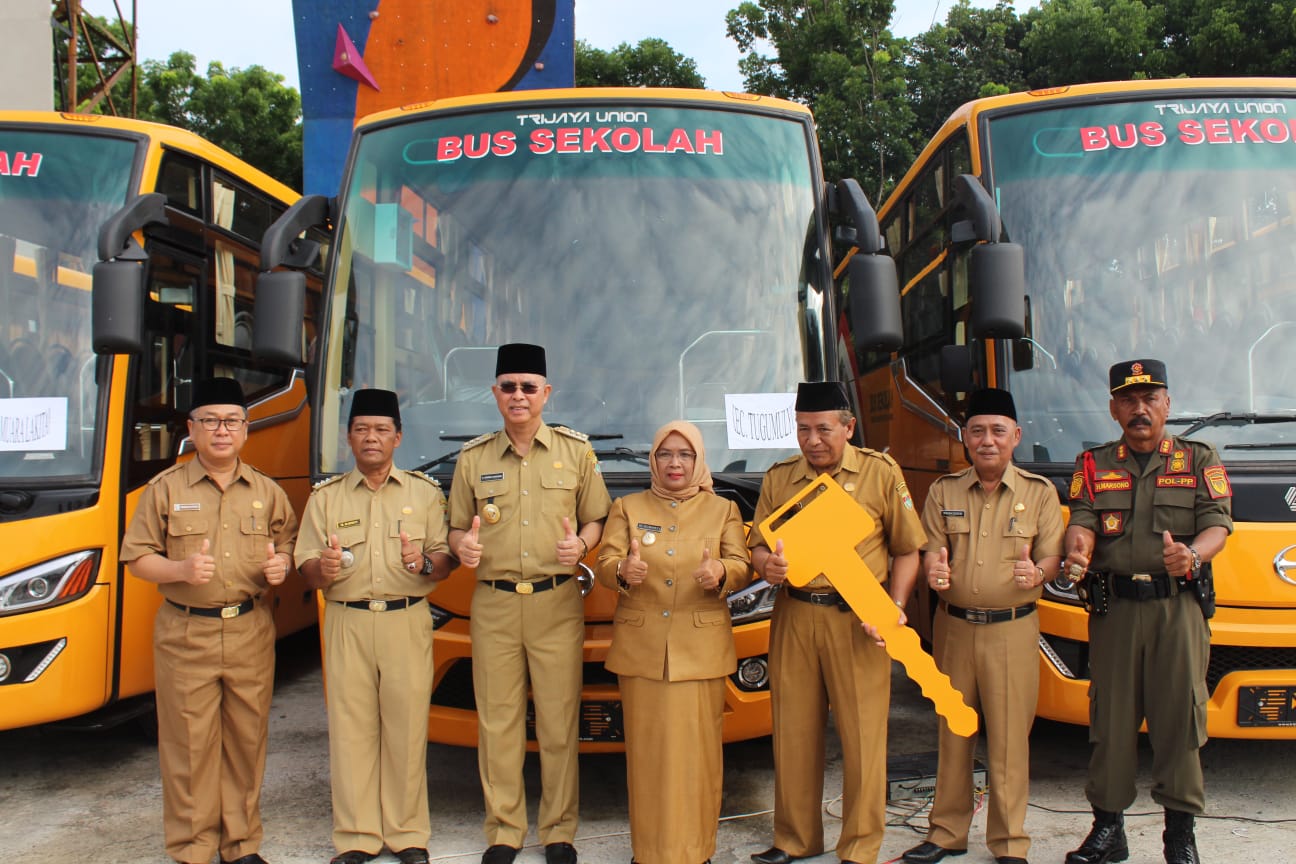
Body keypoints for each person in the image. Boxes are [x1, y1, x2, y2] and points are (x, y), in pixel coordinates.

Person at [119, 376, 297, 864]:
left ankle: (240, 845)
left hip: (249, 629)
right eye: (211, 421)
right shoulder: (164, 490)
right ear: (192, 430)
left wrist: (281, 563)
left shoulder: (266, 490)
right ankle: (193, 848)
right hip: (185, 632)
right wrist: (179, 569)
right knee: (189, 747)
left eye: (233, 421)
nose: (223, 431)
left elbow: (287, 542)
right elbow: (136, 558)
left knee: (246, 740)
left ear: (245, 430)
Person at [748, 381, 926, 864]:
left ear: (848, 428)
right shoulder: (780, 478)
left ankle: (860, 846)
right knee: (793, 732)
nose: (813, 440)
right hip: (796, 614)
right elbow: (757, 546)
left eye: (824, 429)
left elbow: (909, 549)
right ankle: (794, 840)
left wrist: (894, 605)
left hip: (859, 619)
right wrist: (767, 566)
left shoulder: (879, 473)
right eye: (803, 429)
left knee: (864, 737)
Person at [447, 343, 612, 864]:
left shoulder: (575, 453)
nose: (518, 396)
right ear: (495, 393)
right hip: (493, 604)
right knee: (497, 722)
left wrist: (581, 545)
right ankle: (503, 830)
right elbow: (454, 527)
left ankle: (559, 830)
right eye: (508, 386)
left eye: (528, 387)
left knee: (560, 720)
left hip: (556, 603)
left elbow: (597, 518)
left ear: (546, 393)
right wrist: (462, 547)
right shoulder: (473, 458)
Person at [1062, 359, 1231, 864]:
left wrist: (1193, 555)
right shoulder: (1092, 463)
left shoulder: (1199, 459)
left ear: (1167, 405)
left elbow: (1218, 524)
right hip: (1114, 611)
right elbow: (1084, 520)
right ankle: (1108, 831)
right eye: (1129, 401)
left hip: (1176, 610)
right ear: (1114, 408)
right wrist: (1077, 550)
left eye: (1150, 399)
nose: (1140, 410)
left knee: (1180, 718)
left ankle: (1179, 836)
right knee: (1110, 720)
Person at [902, 389, 1064, 864]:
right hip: (953, 629)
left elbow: (1051, 555)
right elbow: (930, 547)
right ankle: (946, 833)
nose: (987, 441)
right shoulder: (944, 491)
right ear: (964, 439)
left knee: (1011, 739)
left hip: (1013, 630)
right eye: (977, 431)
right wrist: (934, 571)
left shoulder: (1038, 493)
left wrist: (1039, 573)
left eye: (997, 431)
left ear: (1016, 436)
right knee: (953, 733)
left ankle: (1009, 843)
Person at [294, 388, 453, 864]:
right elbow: (303, 566)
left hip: (407, 621)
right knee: (351, 730)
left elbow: (445, 561)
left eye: (382, 430)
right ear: (348, 438)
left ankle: (407, 835)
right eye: (362, 429)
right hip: (348, 621)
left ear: (398, 437)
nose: (371, 438)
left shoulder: (425, 494)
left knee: (406, 730)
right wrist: (322, 568)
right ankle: (358, 837)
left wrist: (421, 561)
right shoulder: (325, 498)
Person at [594, 420, 752, 864]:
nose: (675, 463)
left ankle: (696, 852)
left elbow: (741, 563)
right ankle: (648, 853)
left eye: (685, 454)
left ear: (699, 459)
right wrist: (622, 572)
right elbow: (606, 560)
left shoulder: (723, 510)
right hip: (642, 651)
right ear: (654, 460)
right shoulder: (627, 506)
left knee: (699, 758)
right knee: (647, 758)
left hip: (700, 651)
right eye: (666, 454)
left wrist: (721, 573)